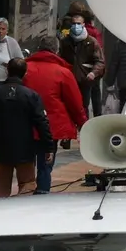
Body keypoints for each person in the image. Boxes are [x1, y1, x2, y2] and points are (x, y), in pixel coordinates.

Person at [0, 58, 53, 198]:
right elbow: (42, 123)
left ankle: (1, 214)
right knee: (26, 185)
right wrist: (48, 147)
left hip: (1, 148)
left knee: (1, 189)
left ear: (7, 71)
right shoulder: (31, 95)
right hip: (25, 149)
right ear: (25, 73)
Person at [23, 35, 87, 194]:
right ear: (56, 50)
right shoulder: (63, 72)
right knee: (46, 160)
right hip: (52, 125)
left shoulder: (24, 68)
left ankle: (24, 189)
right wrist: (83, 123)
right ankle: (43, 191)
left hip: (25, 122)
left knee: (26, 159)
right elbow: (75, 102)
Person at [59, 13, 105, 116]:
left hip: (85, 79)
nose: (76, 26)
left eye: (78, 23)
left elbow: (100, 61)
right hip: (69, 79)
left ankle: (83, 127)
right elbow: (60, 58)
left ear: (83, 24)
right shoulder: (65, 42)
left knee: (83, 106)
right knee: (69, 106)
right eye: (74, 24)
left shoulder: (91, 42)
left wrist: (93, 73)